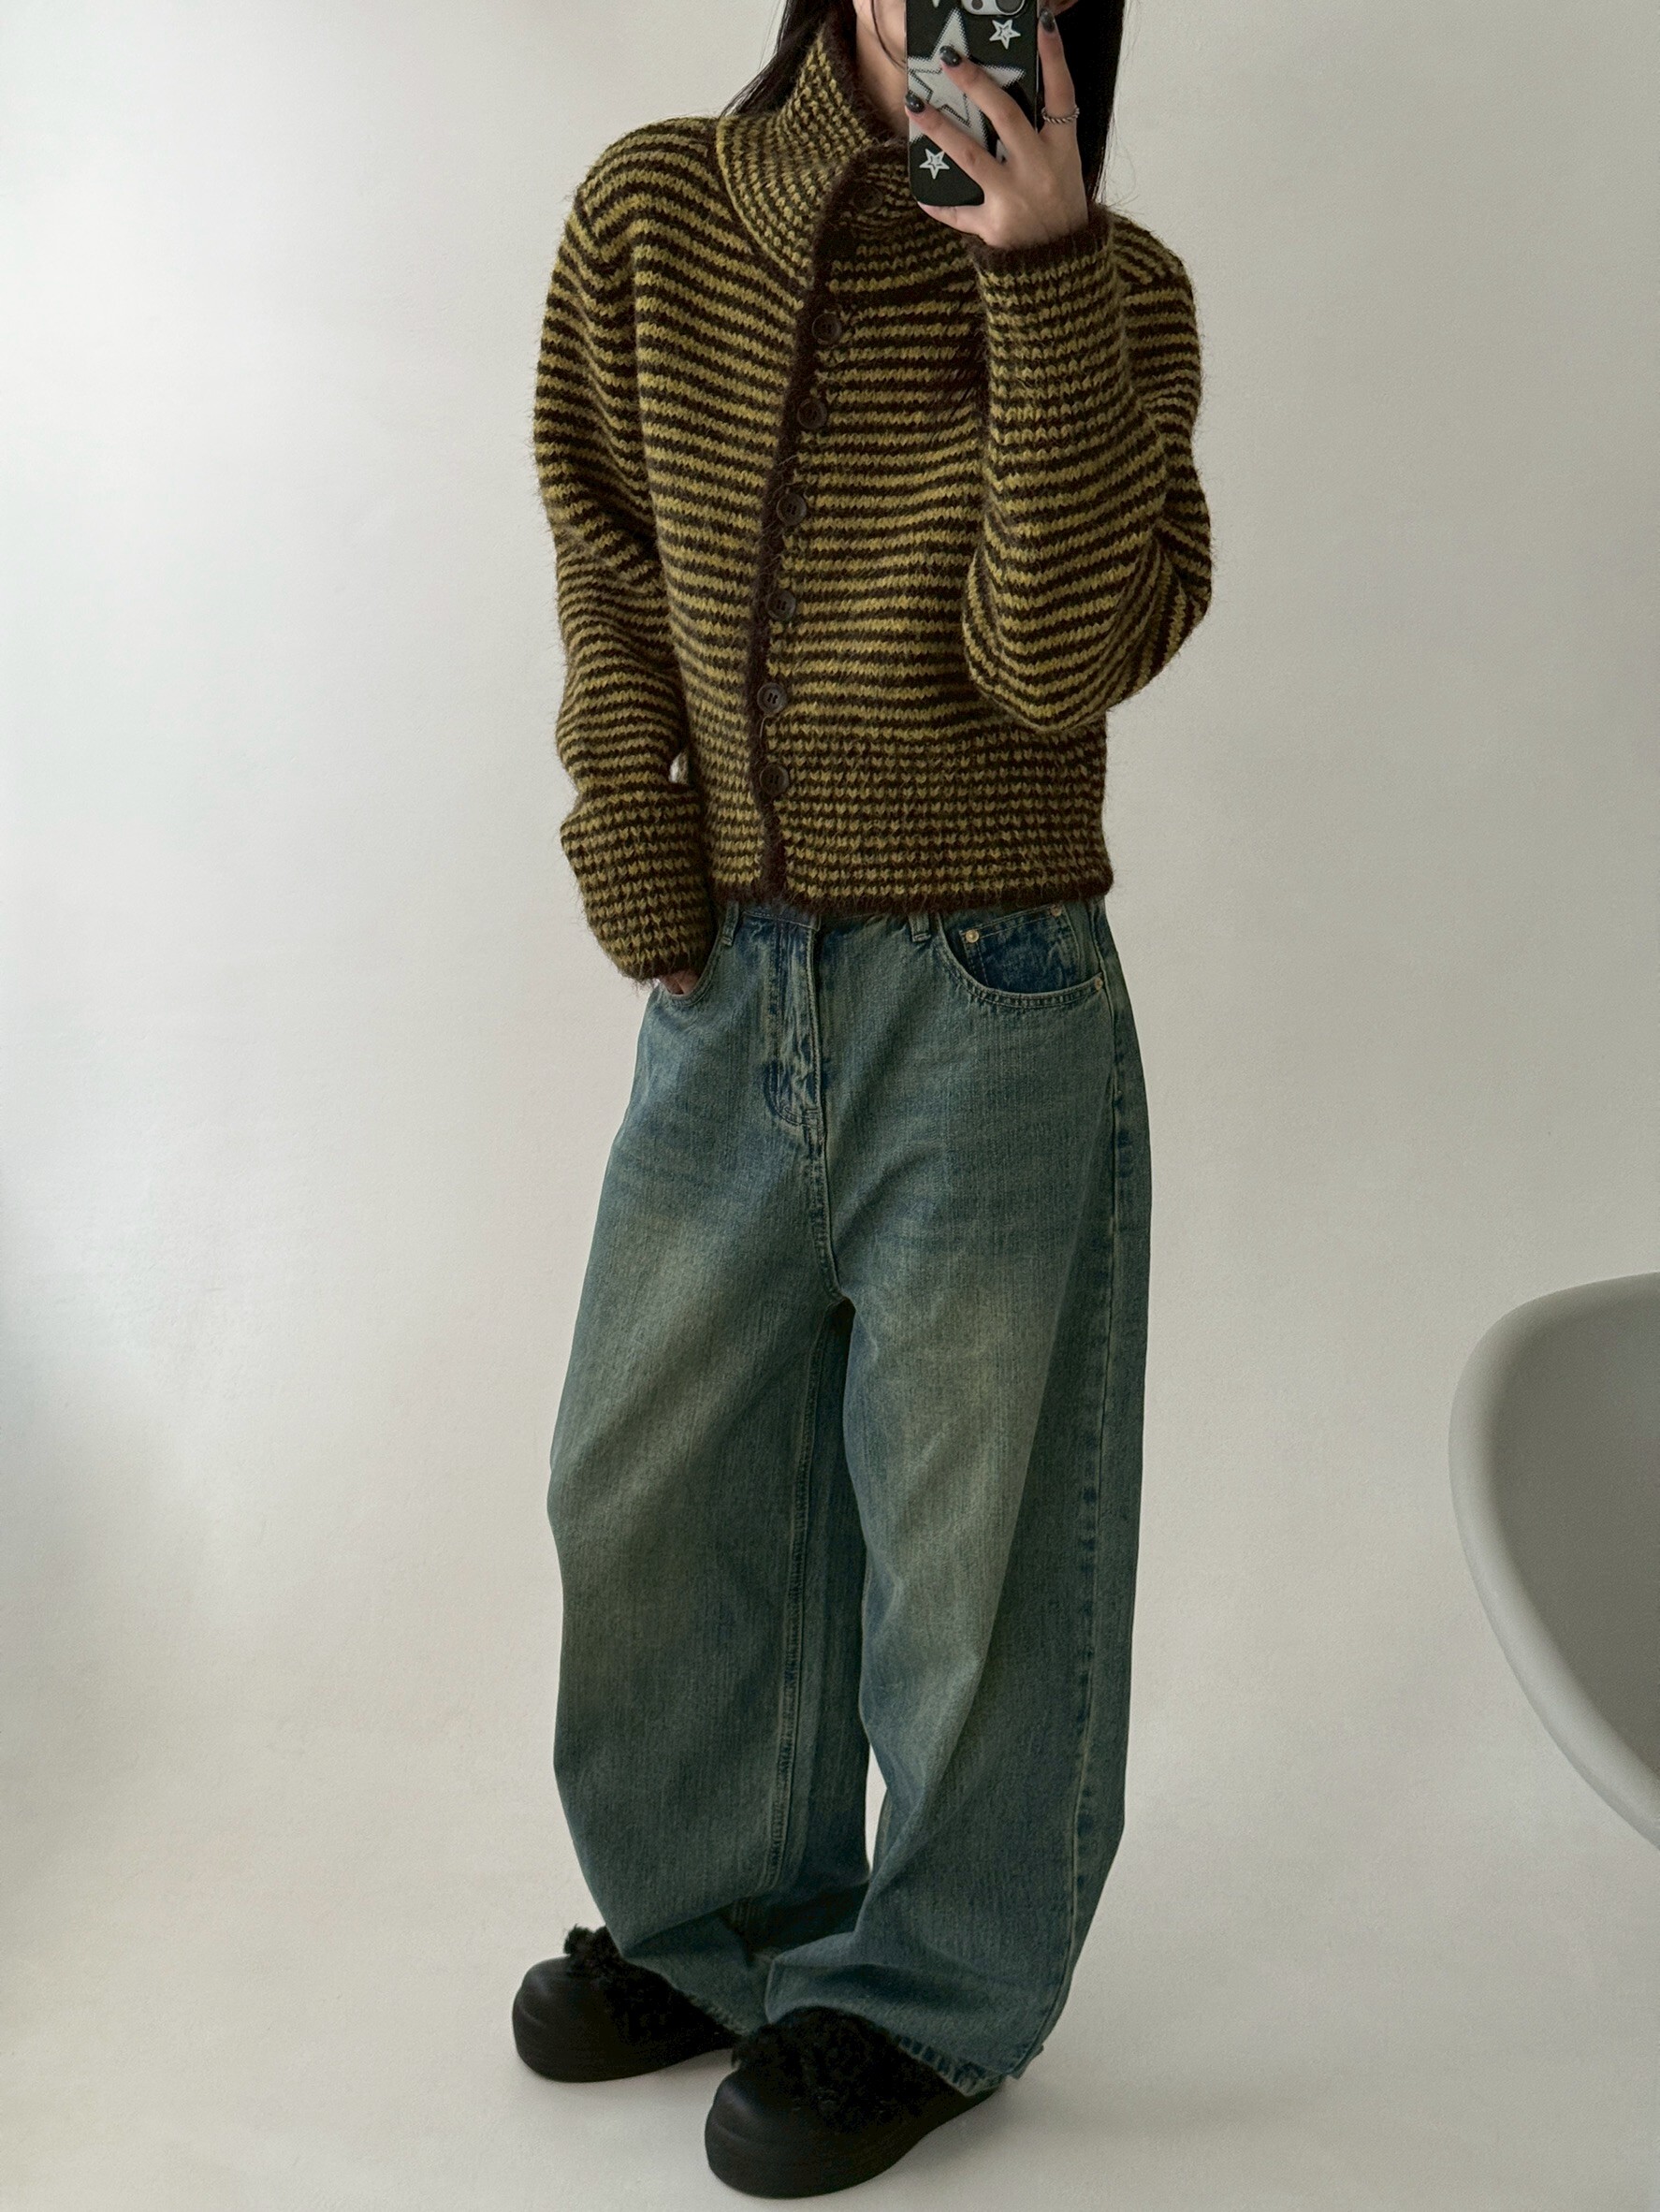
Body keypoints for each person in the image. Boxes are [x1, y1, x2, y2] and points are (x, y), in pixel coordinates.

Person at [513, 0, 1212, 2192]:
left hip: (994, 988)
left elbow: (1050, 659)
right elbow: (606, 545)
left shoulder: (1123, 295)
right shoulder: (653, 211)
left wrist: (1041, 278)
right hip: (729, 976)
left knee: (972, 1533)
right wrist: (633, 829)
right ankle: (728, 1923)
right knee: (643, 1478)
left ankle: (930, 1999)